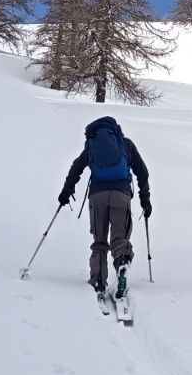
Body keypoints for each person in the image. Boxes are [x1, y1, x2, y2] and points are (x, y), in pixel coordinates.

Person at [58, 116, 151, 297]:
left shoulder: (92, 145)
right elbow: (142, 172)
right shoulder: (125, 144)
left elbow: (76, 168)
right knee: (119, 237)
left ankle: (99, 280)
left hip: (97, 196)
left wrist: (65, 192)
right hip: (121, 194)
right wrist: (145, 199)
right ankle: (122, 262)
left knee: (100, 240)